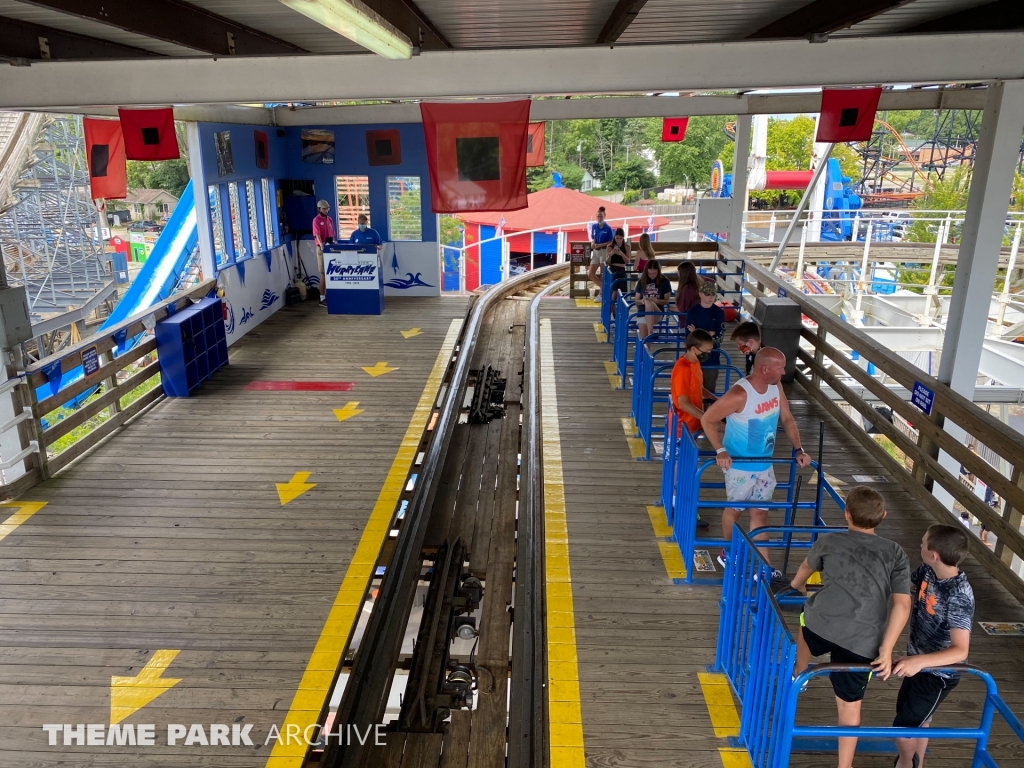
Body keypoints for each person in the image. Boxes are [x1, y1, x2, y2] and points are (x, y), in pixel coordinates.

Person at [790, 486, 913, 768]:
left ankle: (801, 671)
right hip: (862, 641)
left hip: (821, 625)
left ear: (846, 514)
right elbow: (902, 605)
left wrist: (796, 586)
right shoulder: (895, 553)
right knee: (848, 707)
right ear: (883, 516)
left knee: (804, 617)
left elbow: (806, 570)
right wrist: (886, 649)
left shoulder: (829, 540)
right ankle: (844, 766)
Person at [701, 347, 812, 574]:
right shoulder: (739, 394)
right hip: (740, 466)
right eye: (780, 368)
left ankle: (765, 568)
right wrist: (720, 450)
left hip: (765, 464)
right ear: (765, 369)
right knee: (735, 510)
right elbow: (707, 419)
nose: (784, 372)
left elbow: (787, 418)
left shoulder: (775, 387)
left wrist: (799, 449)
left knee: (760, 514)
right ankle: (728, 552)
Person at [892, 524, 974, 768]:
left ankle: (907, 763)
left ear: (934, 554)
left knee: (903, 728)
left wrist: (919, 661)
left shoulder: (959, 595)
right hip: (916, 661)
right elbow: (908, 585)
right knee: (919, 719)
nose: (920, 545)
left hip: (939, 673)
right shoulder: (928, 570)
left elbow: (961, 650)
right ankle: (919, 762)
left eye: (923, 542)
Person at [670, 329, 715, 438]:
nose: (709, 354)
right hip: (682, 427)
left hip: (692, 423)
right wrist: (706, 419)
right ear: (694, 349)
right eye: (706, 351)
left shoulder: (695, 362)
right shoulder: (682, 369)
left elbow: (698, 386)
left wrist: (714, 399)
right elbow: (683, 403)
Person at [685, 281, 727, 394]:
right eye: (707, 294)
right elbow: (689, 338)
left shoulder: (719, 313)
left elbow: (720, 337)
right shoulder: (692, 312)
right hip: (694, 358)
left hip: (712, 357)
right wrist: (709, 334)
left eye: (712, 294)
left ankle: (707, 412)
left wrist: (698, 333)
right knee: (692, 389)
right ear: (700, 294)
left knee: (709, 390)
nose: (710, 297)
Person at [633, 259, 673, 347]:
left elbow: (666, 301)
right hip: (642, 312)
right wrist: (643, 301)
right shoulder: (641, 281)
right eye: (649, 273)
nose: (652, 276)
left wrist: (656, 300)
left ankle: (650, 332)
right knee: (645, 341)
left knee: (649, 303)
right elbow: (636, 300)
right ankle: (644, 358)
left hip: (657, 312)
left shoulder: (665, 281)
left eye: (654, 273)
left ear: (658, 271)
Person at [312, 199, 336, 307]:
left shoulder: (330, 219)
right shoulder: (316, 220)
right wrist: (321, 245)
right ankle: (322, 298)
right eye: (324, 209)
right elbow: (317, 234)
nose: (326, 210)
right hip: (321, 249)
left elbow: (332, 233)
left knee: (331, 272)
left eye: (327, 208)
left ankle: (330, 295)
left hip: (330, 248)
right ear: (319, 209)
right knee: (323, 274)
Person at [589, 207, 613, 295]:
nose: (599, 218)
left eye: (601, 216)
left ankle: (601, 293)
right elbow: (593, 238)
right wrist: (593, 243)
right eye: (598, 216)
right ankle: (604, 288)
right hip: (595, 251)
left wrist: (600, 245)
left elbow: (611, 241)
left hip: (604, 251)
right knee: (591, 274)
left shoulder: (608, 228)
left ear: (604, 216)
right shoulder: (594, 226)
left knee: (603, 274)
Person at [605, 228, 631, 304]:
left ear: (623, 238)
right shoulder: (610, 246)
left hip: (622, 270)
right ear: (614, 237)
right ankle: (614, 312)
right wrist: (611, 254)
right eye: (617, 238)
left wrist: (621, 254)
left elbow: (627, 261)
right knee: (613, 295)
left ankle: (619, 312)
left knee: (622, 295)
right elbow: (607, 262)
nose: (618, 240)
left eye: (620, 238)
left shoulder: (627, 247)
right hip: (613, 270)